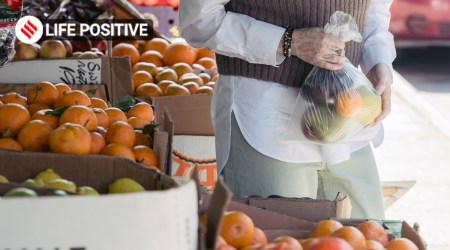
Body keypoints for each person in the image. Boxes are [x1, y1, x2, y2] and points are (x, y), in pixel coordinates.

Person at [179, 0, 395, 219]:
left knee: (368, 236)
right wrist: (288, 41)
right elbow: (199, 20)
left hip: (348, 119)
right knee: (276, 237)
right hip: (267, 121)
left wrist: (378, 61)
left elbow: (374, 10)